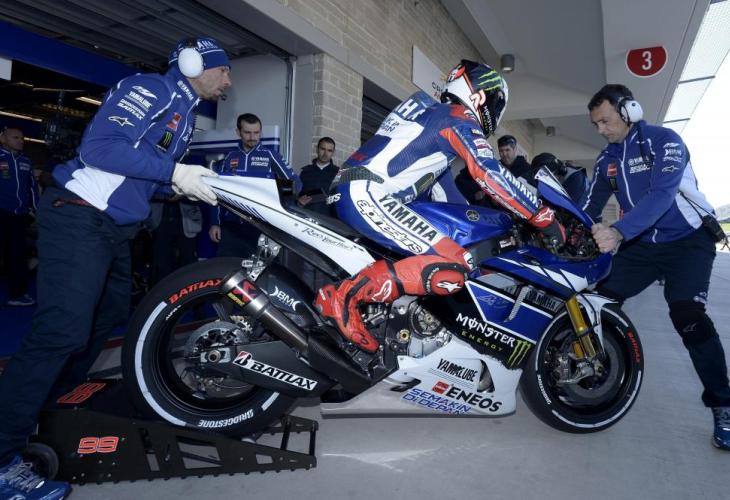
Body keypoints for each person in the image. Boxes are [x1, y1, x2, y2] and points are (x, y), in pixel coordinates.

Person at [0, 37, 231, 498]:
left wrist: (176, 186)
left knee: (106, 319)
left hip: (114, 229)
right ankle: (3, 456)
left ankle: (49, 408)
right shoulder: (151, 88)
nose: (228, 81)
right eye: (224, 70)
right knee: (61, 331)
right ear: (193, 64)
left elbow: (139, 177)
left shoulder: (185, 117)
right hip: (79, 215)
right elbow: (101, 149)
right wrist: (174, 173)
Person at [315, 60, 565, 353]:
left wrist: (489, 221)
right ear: (480, 96)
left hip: (356, 190)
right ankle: (346, 297)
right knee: (454, 266)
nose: (495, 113)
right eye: (496, 104)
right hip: (367, 193)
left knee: (440, 252)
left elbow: (449, 196)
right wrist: (542, 216)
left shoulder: (432, 115)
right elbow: (489, 173)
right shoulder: (457, 118)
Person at [581, 83, 730, 451]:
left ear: (628, 110)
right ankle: (587, 372)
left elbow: (662, 195)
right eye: (596, 124)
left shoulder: (664, 142)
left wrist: (617, 232)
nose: (601, 129)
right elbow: (589, 206)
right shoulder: (607, 160)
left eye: (606, 120)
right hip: (644, 244)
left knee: (688, 315)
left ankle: (723, 404)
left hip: (688, 241)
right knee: (597, 301)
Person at [209, 113, 301, 257]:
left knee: (262, 268)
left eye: (256, 132)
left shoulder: (270, 155)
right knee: (226, 266)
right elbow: (216, 192)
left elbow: (296, 184)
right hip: (232, 226)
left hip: (262, 227)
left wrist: (280, 203)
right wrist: (215, 223)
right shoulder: (228, 157)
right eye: (247, 132)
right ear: (238, 132)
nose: (252, 137)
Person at [0, 126, 39, 307]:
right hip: (1, 212)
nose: (20, 141)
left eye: (22, 138)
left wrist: (36, 209)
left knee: (17, 255)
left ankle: (17, 294)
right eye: (15, 137)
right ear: (3, 139)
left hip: (19, 216)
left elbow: (32, 188)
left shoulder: (26, 162)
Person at [146, 194, 202, 285]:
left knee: (188, 261)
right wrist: (165, 194)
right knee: (161, 263)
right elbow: (148, 191)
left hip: (188, 219)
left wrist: (181, 195)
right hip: (160, 219)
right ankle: (162, 292)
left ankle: (189, 291)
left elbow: (200, 194)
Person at [298, 137, 339, 216]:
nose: (325, 154)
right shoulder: (305, 171)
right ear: (317, 149)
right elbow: (297, 195)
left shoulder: (338, 174)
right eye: (322, 149)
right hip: (305, 217)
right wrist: (299, 202)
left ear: (333, 153)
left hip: (327, 220)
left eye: (329, 150)